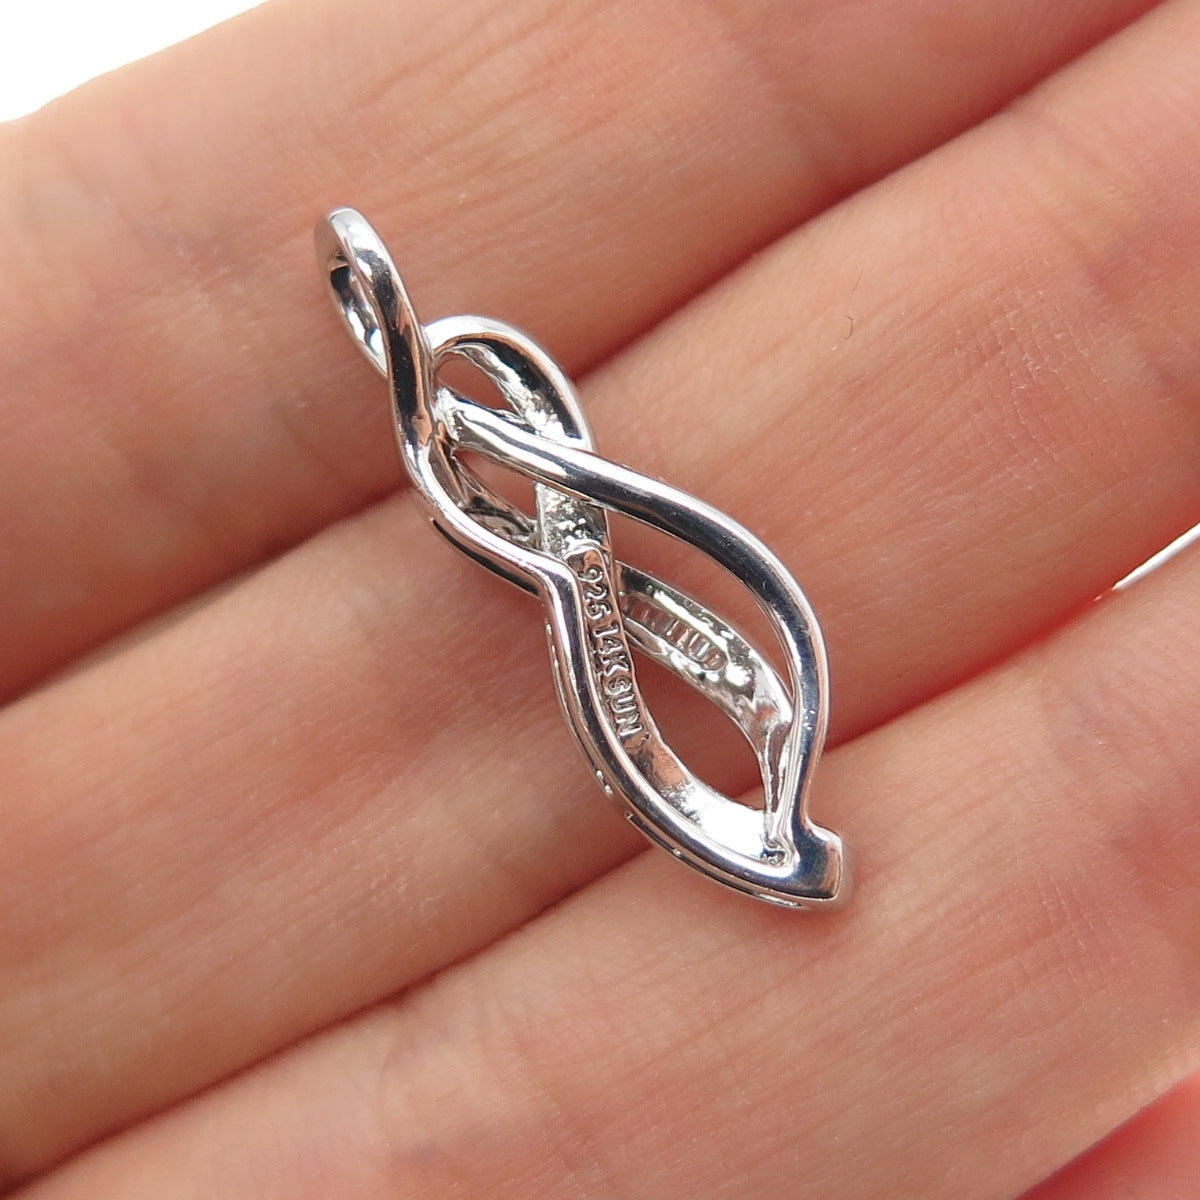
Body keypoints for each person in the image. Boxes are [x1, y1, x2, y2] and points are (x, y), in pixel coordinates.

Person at [0, 0, 1197, 1195]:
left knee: (657, 611)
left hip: (531, 502)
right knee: (603, 593)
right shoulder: (474, 458)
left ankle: (780, 827)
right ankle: (775, 832)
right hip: (517, 505)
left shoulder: (484, 436)